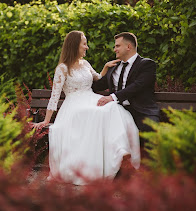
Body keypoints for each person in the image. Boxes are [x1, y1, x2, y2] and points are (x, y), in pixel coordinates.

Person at [33, 31, 140, 185]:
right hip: (74, 106)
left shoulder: (85, 64)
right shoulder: (63, 68)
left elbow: (97, 78)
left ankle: (120, 152)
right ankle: (94, 168)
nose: (87, 47)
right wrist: (46, 120)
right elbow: (54, 96)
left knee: (112, 108)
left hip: (90, 98)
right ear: (75, 45)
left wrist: (105, 67)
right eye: (84, 43)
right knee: (95, 112)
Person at [93, 32, 160, 133]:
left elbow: (137, 86)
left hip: (141, 112)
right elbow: (98, 85)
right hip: (116, 111)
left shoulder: (146, 64)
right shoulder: (113, 67)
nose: (114, 49)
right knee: (96, 126)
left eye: (117, 46)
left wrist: (112, 97)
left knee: (149, 129)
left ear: (128, 46)